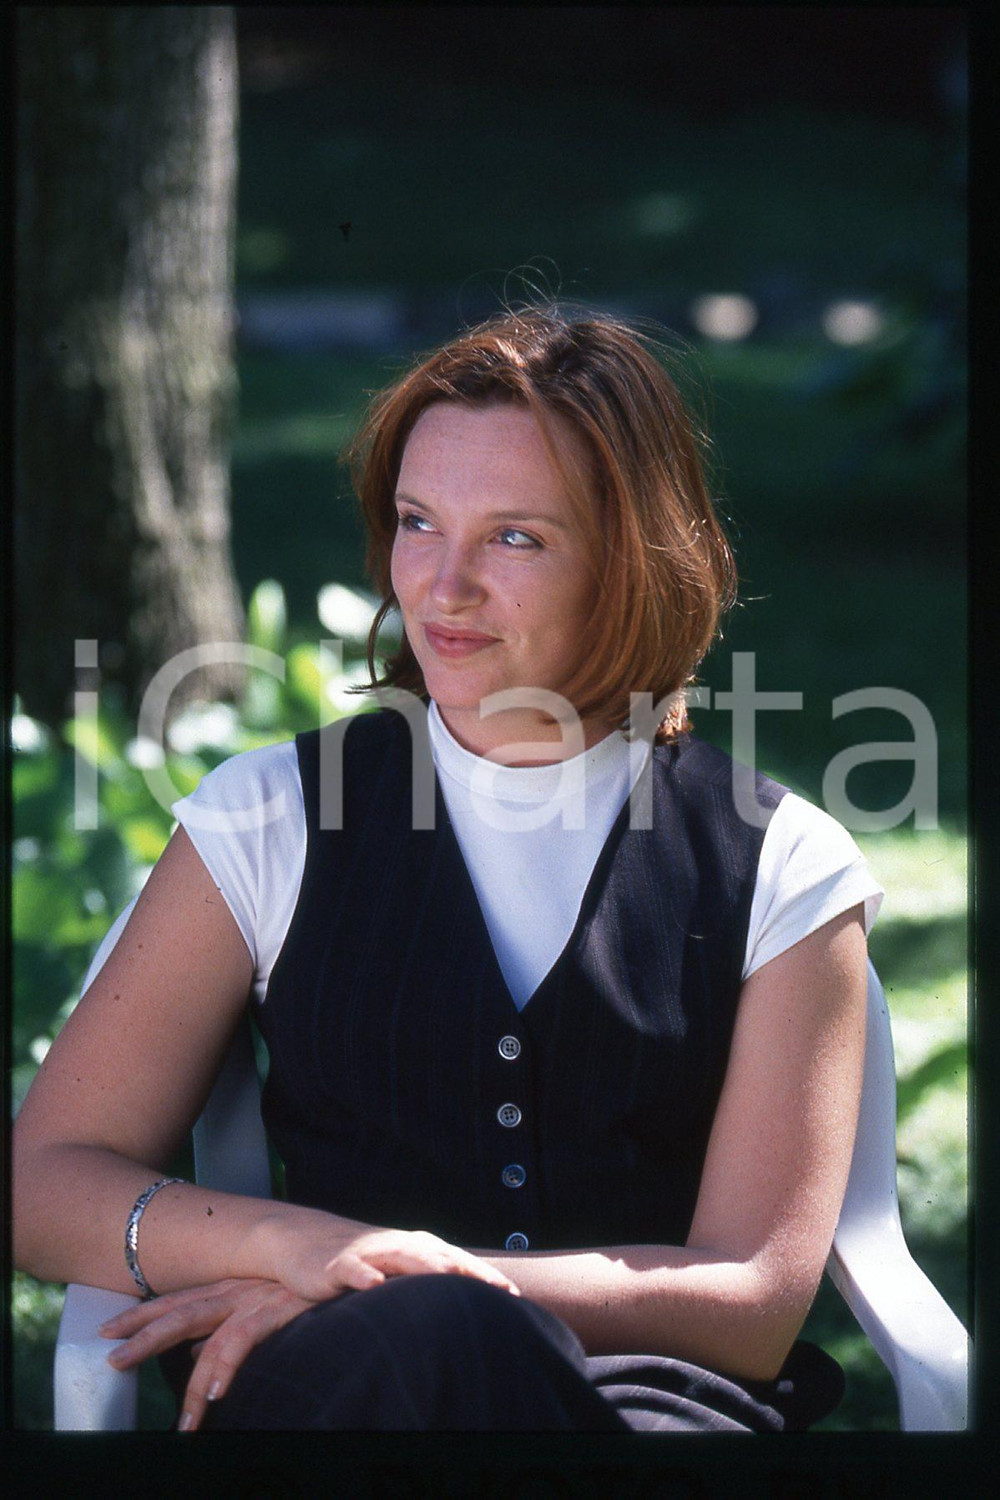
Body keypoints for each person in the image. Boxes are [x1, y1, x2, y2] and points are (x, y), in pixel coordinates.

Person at [13, 305, 883, 1433]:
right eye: (418, 522)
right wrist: (296, 1249)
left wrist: (418, 1283)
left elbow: (755, 1301)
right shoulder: (269, 817)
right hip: (336, 1386)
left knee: (460, 1344)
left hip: (640, 1409)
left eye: (515, 538)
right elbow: (42, 1180)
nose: (442, 585)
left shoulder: (785, 867)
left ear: (632, 563)